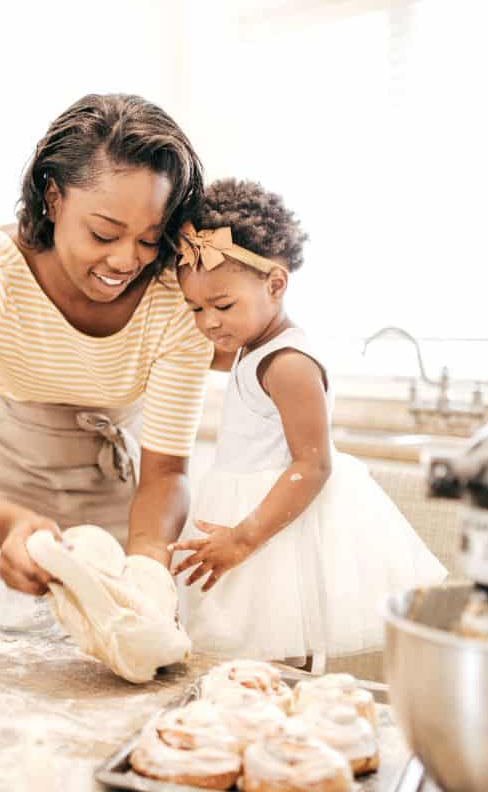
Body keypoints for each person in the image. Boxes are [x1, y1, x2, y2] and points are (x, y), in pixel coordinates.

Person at [0, 93, 215, 596]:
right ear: (53, 198)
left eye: (148, 239)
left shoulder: (177, 294)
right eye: (104, 233)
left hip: (127, 504)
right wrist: (10, 526)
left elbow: (165, 473)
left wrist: (147, 566)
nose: (126, 260)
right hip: (8, 495)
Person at [170, 178, 446, 663]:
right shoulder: (252, 347)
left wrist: (242, 539)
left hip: (271, 527)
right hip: (245, 517)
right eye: (195, 307)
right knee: (240, 651)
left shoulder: (288, 363)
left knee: (276, 650)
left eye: (222, 305)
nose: (208, 322)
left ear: (275, 284)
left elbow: (313, 465)